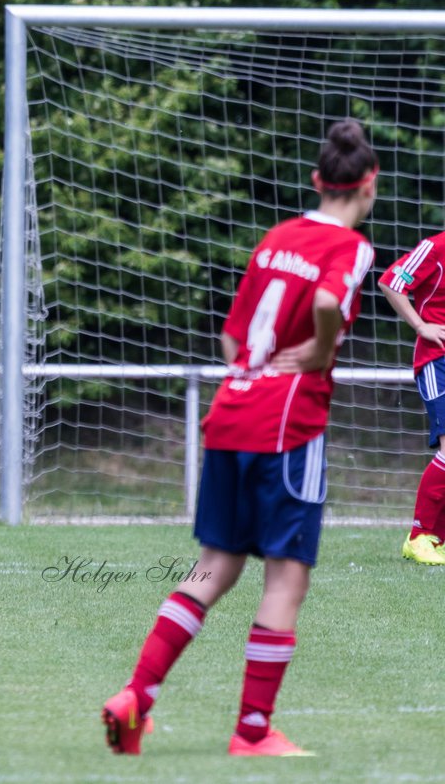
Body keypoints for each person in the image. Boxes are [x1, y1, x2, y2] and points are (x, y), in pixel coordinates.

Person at [101, 119, 378, 757]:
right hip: (287, 425)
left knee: (214, 567)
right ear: (369, 185)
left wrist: (268, 359)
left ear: (316, 180)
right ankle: (252, 732)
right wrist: (321, 350)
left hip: (230, 413)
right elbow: (329, 307)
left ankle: (136, 697)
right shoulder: (352, 247)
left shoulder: (277, 235)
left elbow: (232, 338)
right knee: (285, 579)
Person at [378, 231, 445, 565]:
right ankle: (418, 536)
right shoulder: (436, 247)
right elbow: (390, 281)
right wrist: (421, 326)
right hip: (438, 361)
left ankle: (437, 539)